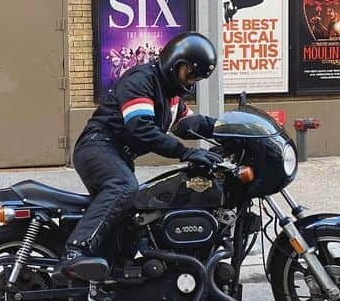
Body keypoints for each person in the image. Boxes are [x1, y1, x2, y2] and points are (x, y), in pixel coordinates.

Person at [61, 32, 221, 281]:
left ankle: (113, 284)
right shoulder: (142, 79)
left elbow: (189, 124)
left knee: (137, 216)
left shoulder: (171, 97)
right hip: (98, 147)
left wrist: (228, 128)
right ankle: (76, 251)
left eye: (197, 77)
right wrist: (185, 152)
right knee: (124, 187)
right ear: (175, 62)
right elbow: (141, 127)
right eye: (190, 73)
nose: (191, 81)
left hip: (118, 154)